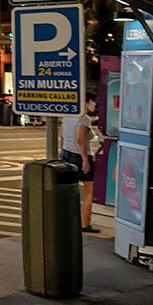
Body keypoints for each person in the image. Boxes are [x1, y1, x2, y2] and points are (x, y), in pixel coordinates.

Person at [60, 92, 100, 233]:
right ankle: (84, 224)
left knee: (70, 190)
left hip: (66, 154)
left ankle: (68, 221)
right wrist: (85, 160)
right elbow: (80, 140)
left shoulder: (68, 115)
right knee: (90, 192)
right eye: (93, 102)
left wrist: (62, 153)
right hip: (80, 156)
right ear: (87, 102)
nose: (95, 105)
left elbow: (62, 137)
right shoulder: (84, 118)